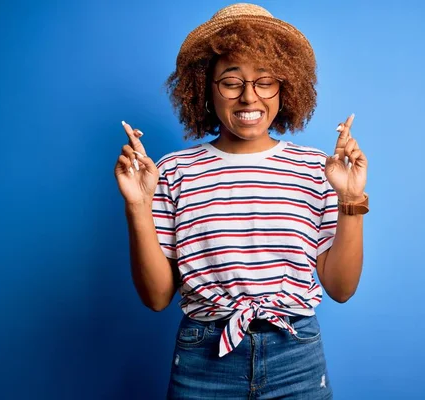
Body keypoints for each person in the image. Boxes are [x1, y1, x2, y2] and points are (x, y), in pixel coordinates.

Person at [114, 3, 369, 399]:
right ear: (204, 88)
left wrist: (350, 198)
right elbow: (157, 297)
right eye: (231, 82)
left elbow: (341, 288)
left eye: (265, 81)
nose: (249, 97)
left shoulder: (317, 168)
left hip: (296, 356)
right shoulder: (173, 171)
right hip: (204, 355)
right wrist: (137, 206)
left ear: (285, 87)